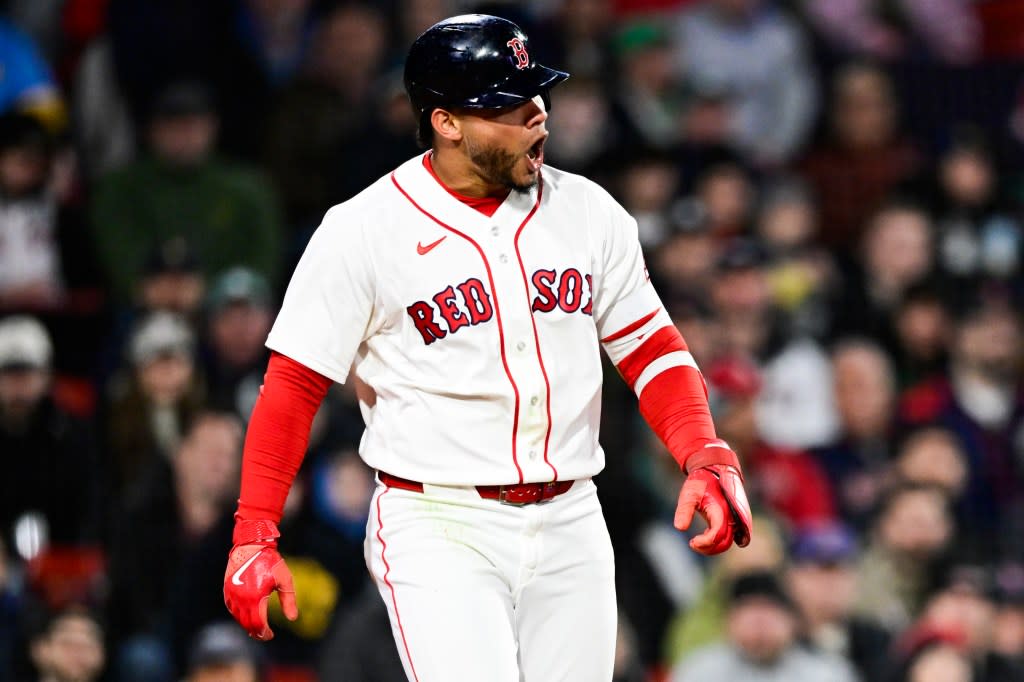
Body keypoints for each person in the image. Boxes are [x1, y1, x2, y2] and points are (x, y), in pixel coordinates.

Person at [222, 14, 752, 682]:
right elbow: (292, 387)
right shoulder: (364, 229)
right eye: (510, 103)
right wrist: (255, 531)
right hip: (439, 520)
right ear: (446, 122)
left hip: (570, 515)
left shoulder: (589, 213)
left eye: (538, 95)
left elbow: (652, 349)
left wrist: (702, 449)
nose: (539, 115)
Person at [672, 570, 857, 681]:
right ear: (728, 621)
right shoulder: (699, 671)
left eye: (770, 610)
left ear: (793, 622)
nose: (760, 622)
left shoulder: (825, 674)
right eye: (749, 610)